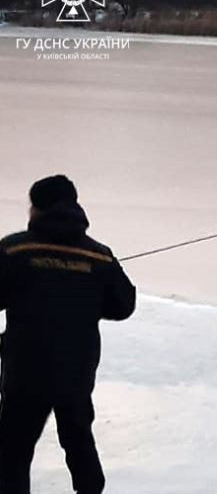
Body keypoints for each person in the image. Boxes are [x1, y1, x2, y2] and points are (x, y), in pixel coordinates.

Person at [0, 175, 136, 494]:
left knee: (12, 454)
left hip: (25, 372)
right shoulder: (99, 256)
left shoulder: (15, 250)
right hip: (75, 371)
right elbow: (123, 305)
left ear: (36, 208)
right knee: (78, 442)